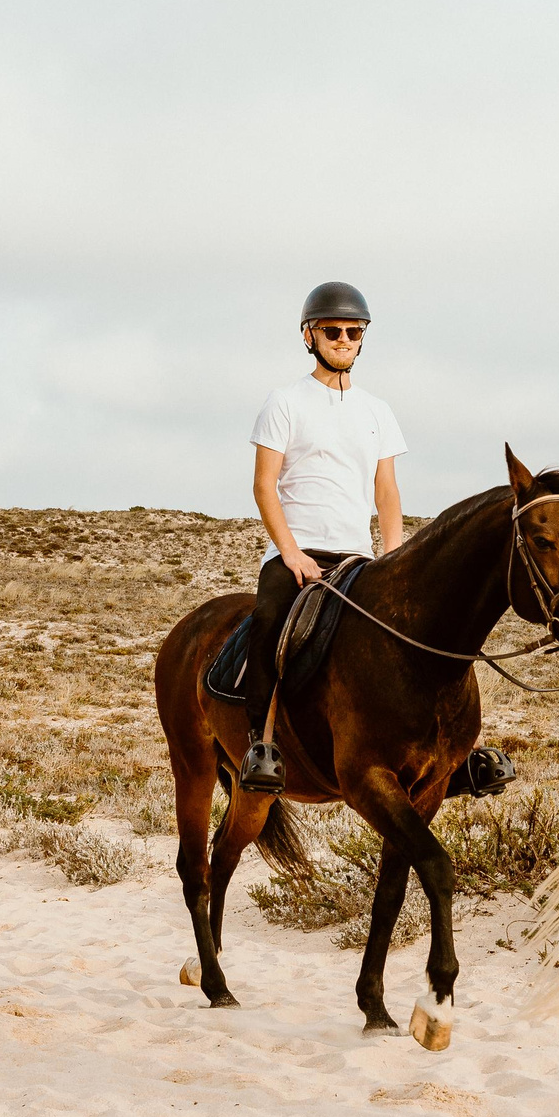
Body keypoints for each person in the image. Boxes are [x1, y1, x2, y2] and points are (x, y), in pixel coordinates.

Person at [234, 283, 408, 794]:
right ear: (310, 335)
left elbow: (387, 493)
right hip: (297, 553)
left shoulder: (378, 411)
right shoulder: (285, 401)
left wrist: (393, 559)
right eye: (333, 330)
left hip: (358, 557)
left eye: (355, 331)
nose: (344, 339)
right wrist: (290, 553)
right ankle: (258, 746)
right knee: (269, 623)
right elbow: (264, 484)